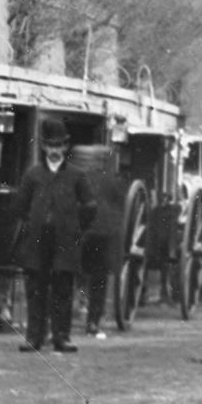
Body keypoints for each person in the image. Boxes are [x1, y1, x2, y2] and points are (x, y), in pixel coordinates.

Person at [16, 118, 97, 353]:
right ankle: (34, 337)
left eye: (58, 145)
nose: (54, 150)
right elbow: (20, 206)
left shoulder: (76, 175)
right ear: (43, 146)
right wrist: (34, 222)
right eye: (50, 145)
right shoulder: (33, 175)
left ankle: (62, 336)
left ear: (65, 147)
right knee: (36, 289)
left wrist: (75, 227)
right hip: (37, 240)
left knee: (63, 287)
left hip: (65, 240)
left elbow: (90, 206)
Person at [69, 145, 124, 339]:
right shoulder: (113, 181)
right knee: (99, 280)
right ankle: (92, 321)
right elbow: (120, 208)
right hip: (102, 234)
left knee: (72, 274)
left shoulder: (79, 177)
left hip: (83, 232)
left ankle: (71, 317)